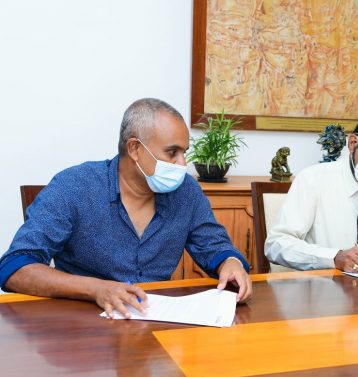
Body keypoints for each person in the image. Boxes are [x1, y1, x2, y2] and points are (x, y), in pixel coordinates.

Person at [0, 98, 252, 316]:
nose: (182, 164)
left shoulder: (186, 192)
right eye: (172, 152)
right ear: (134, 148)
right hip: (82, 325)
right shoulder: (74, 187)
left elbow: (214, 246)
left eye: (184, 152)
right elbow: (14, 268)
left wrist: (230, 263)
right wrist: (96, 289)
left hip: (155, 322)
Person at [265, 107, 358, 272]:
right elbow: (277, 244)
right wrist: (333, 257)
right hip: (325, 285)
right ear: (353, 143)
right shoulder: (312, 179)